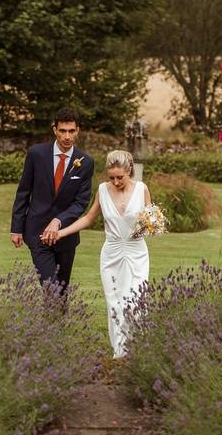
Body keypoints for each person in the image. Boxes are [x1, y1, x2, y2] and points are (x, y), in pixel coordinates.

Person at [50, 150, 150, 358]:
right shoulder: (103, 191)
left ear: (129, 170)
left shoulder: (142, 189)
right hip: (111, 254)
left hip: (136, 252)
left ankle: (137, 350)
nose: (115, 182)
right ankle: (120, 354)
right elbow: (87, 219)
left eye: (119, 177)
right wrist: (61, 233)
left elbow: (151, 219)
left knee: (136, 302)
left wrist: (151, 226)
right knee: (115, 303)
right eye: (111, 177)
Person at [10, 108, 94, 293]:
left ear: (78, 130)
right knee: (51, 288)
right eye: (62, 130)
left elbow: (81, 202)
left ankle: (58, 322)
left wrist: (58, 221)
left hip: (66, 236)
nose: (67, 136)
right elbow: (24, 192)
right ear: (54, 129)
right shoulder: (36, 154)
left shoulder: (85, 162)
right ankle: (52, 320)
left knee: (62, 290)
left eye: (71, 131)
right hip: (37, 233)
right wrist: (16, 228)